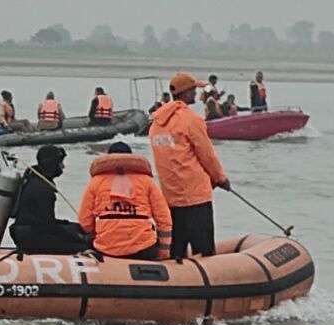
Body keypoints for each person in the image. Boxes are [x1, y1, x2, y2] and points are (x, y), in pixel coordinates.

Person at [149, 72, 231, 258]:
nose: (196, 94)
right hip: (196, 198)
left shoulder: (156, 124)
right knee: (204, 253)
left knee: (176, 251)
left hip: (170, 197)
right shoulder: (191, 120)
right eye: (193, 90)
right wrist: (220, 178)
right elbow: (207, 155)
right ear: (185, 93)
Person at [77, 141, 173, 260]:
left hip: (106, 248)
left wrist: (97, 235)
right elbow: (164, 219)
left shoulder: (95, 182)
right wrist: (164, 252)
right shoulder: (147, 181)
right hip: (144, 247)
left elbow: (84, 221)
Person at [9, 145, 90, 254]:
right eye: (60, 163)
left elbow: (44, 221)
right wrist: (78, 237)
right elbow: (48, 225)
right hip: (31, 237)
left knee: (75, 228)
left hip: (25, 233)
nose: (63, 166)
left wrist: (71, 226)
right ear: (52, 164)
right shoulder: (43, 189)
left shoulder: (33, 179)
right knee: (83, 246)